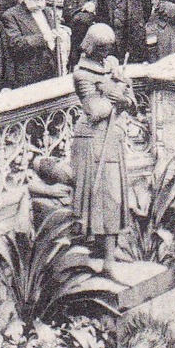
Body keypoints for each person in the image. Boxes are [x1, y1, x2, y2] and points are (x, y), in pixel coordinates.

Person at [69, 23, 136, 271]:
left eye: (108, 49)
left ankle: (113, 248)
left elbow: (131, 102)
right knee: (105, 197)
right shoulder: (82, 74)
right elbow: (95, 111)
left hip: (113, 137)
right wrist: (113, 94)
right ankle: (107, 259)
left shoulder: (111, 65)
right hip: (93, 139)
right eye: (102, 49)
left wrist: (123, 92)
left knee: (116, 196)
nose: (106, 54)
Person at [0, 0, 66, 88]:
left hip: (51, 70)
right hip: (29, 74)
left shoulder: (47, 12)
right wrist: (44, 37)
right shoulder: (11, 15)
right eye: (36, 0)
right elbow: (16, 43)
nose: (40, 4)